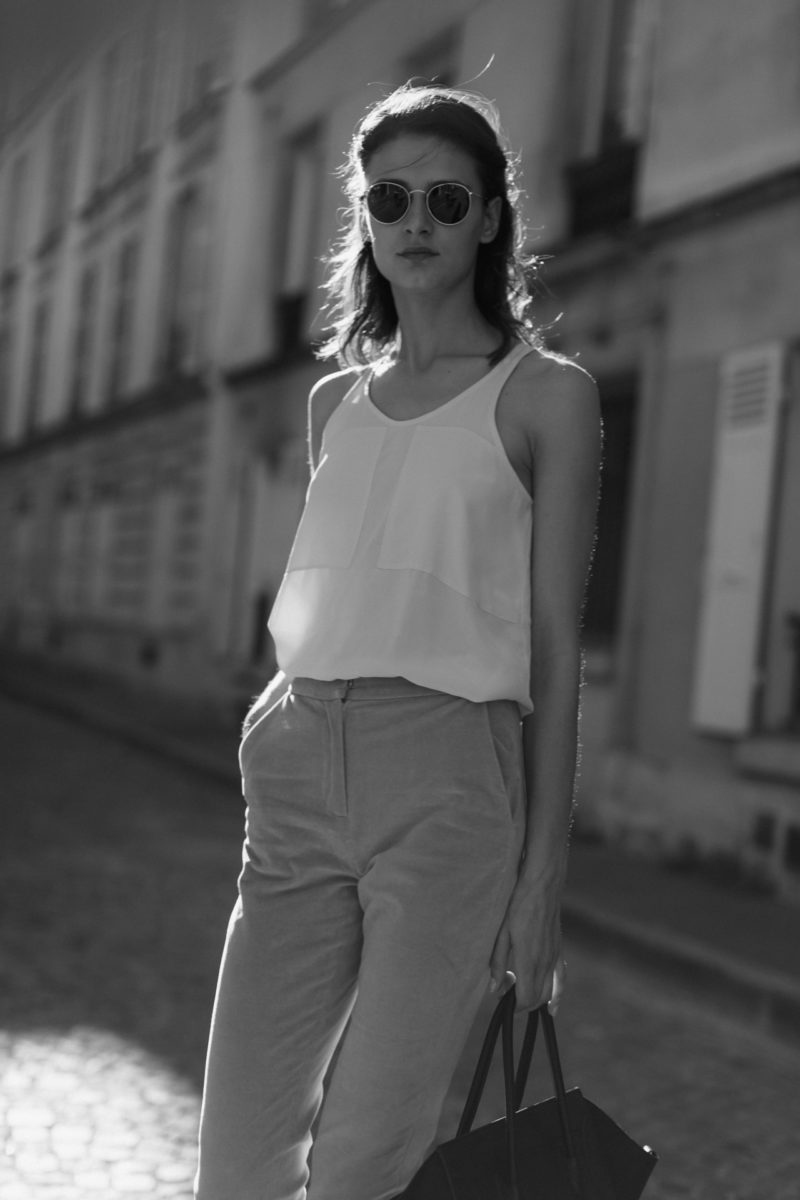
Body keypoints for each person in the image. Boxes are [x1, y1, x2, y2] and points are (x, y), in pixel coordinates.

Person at [194, 82, 601, 1200]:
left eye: (445, 199)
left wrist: (542, 880)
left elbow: (554, 644)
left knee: (362, 1164)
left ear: (488, 218)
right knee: (236, 1167)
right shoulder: (335, 405)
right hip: (297, 771)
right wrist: (276, 722)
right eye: (389, 199)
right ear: (365, 220)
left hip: (448, 783)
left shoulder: (546, 398)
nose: (415, 221)